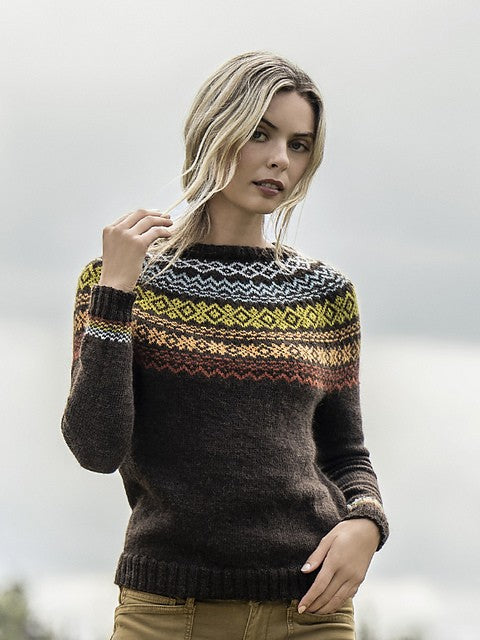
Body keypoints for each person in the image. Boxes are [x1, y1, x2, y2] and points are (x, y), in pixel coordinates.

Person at [61, 50, 389, 640]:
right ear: (216, 129)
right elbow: (96, 447)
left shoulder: (325, 293)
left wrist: (367, 523)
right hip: (167, 614)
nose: (279, 158)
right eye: (260, 133)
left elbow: (346, 453)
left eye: (298, 145)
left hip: (310, 612)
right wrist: (114, 294)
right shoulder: (118, 281)